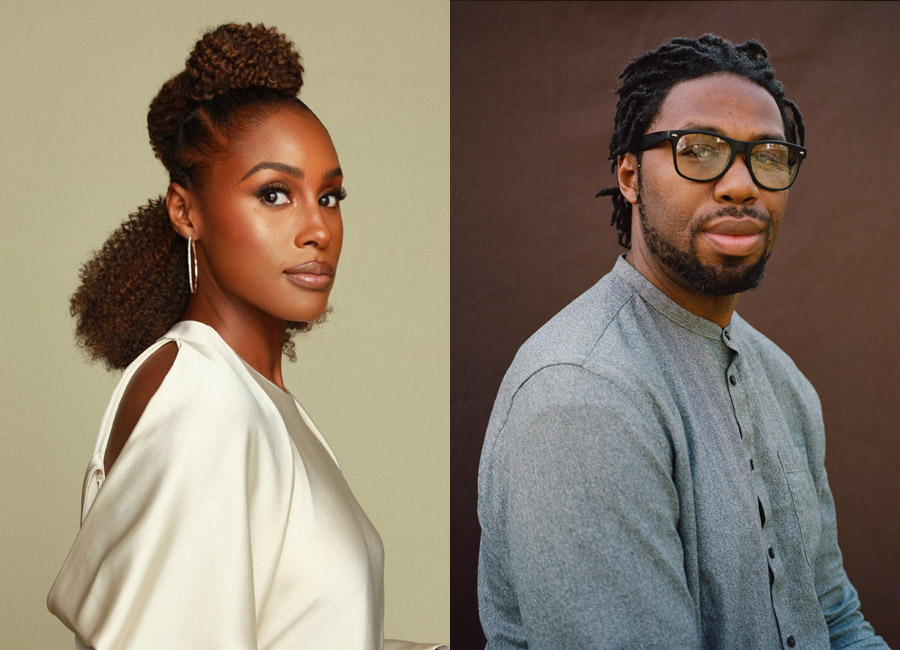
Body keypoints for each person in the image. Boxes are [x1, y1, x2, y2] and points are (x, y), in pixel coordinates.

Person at [477, 34, 887, 649]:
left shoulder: (781, 379)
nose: (740, 185)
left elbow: (834, 619)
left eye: (768, 156)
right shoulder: (582, 393)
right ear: (630, 176)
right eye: (699, 151)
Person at [47, 23, 446, 650]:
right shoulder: (204, 399)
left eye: (331, 195)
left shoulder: (250, 395)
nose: (318, 227)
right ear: (186, 211)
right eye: (275, 193)